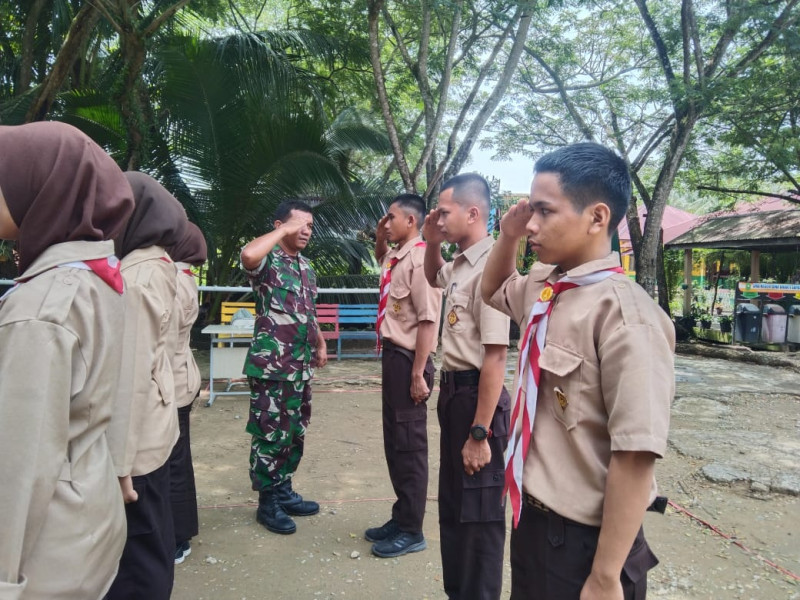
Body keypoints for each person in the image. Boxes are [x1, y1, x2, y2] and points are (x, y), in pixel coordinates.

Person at [481, 142, 675, 600]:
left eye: (545, 211)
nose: (532, 223)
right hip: (531, 517)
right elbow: (492, 291)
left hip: (583, 541)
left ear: (597, 217)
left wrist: (606, 576)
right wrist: (507, 237)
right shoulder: (546, 287)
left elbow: (635, 454)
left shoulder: (627, 318)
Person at [0, 121, 134, 598]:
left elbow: (21, 462)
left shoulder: (41, 307)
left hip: (45, 552)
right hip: (91, 513)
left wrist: (4, 580)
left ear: (40, 190)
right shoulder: (100, 276)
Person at [422, 174, 511, 599]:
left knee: (478, 515)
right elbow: (432, 276)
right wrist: (432, 241)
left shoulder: (492, 265)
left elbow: (495, 356)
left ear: (473, 213)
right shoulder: (460, 262)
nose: (438, 218)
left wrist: (481, 432)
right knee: (456, 507)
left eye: (444, 211)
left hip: (479, 398)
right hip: (455, 393)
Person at [106, 171, 188, 600]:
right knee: (153, 542)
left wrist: (120, 466)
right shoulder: (160, 264)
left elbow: (130, 377)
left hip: (136, 447)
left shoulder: (136, 278)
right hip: (155, 428)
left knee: (138, 556)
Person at [240, 199, 328, 535]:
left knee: (295, 430)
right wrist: (282, 233)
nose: (306, 230)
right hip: (271, 366)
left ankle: (283, 488)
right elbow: (248, 256)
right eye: (299, 224)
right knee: (270, 432)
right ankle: (267, 501)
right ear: (279, 226)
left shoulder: (307, 267)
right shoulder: (267, 261)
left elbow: (309, 311)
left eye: (310, 225)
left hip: (301, 364)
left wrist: (319, 343)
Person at [365, 194, 442, 558]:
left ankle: (412, 529)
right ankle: (402, 514)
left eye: (391, 217)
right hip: (394, 358)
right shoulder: (397, 256)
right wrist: (381, 234)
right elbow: (380, 257)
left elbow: (428, 321)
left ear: (411, 221)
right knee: (394, 440)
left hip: (411, 358)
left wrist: (417, 373)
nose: (386, 221)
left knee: (410, 446)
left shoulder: (421, 259)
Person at [166, 222, 207, 565]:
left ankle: (178, 536)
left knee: (174, 462)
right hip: (182, 377)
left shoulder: (174, 280)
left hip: (174, 382)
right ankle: (180, 530)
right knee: (178, 459)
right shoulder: (184, 276)